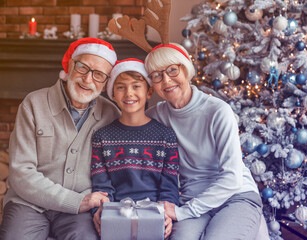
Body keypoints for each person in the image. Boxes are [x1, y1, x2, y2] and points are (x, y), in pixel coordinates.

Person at [0, 38, 121, 240]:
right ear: (69, 66)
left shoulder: (111, 114)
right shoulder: (33, 104)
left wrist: (95, 202)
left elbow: (116, 172)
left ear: (106, 82)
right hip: (29, 204)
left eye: (98, 74)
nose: (88, 79)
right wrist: (74, 201)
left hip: (81, 209)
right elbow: (21, 173)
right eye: (82, 68)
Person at [144, 43, 263, 240]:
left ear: (187, 70)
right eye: (157, 75)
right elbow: (127, 129)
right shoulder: (155, 115)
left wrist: (182, 212)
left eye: (173, 70)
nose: (166, 80)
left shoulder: (218, 111)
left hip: (236, 196)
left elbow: (232, 178)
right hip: (191, 199)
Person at [90, 58, 179, 239]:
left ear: (149, 92)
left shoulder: (165, 137)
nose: (129, 93)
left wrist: (167, 213)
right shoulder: (102, 137)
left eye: (136, 86)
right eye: (121, 87)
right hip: (115, 213)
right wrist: (100, 211)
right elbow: (102, 185)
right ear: (113, 94)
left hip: (154, 213)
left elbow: (169, 186)